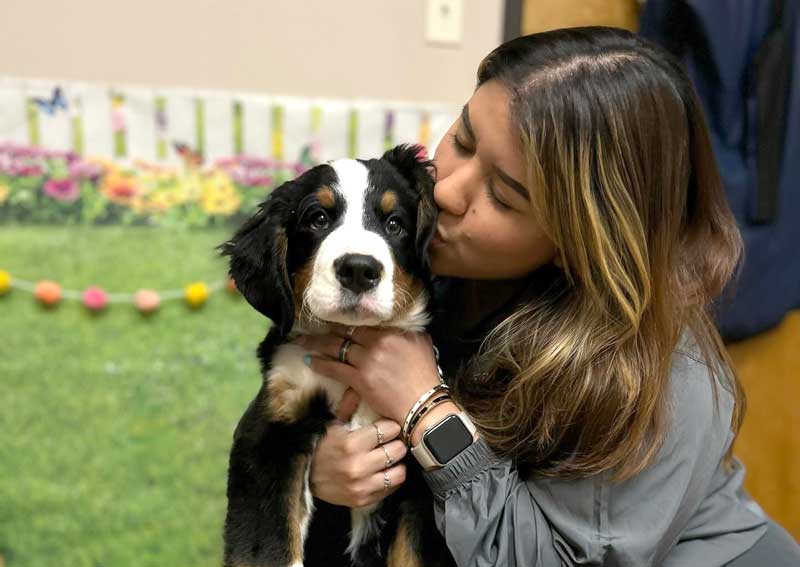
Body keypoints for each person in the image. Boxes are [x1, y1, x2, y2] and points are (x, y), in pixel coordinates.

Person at [295, 27, 800, 566]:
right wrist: (315, 470)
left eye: (503, 196)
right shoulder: (425, 255)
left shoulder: (665, 379)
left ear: (577, 242)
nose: (447, 190)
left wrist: (426, 408)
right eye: (463, 139)